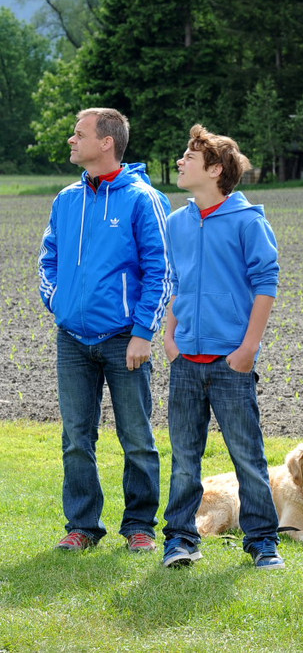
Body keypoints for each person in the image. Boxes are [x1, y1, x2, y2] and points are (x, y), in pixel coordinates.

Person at [38, 107, 171, 553]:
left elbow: (161, 271)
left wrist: (143, 333)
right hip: (72, 339)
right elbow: (48, 258)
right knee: (77, 438)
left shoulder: (142, 198)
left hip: (124, 340)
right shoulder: (66, 199)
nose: (72, 140)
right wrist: (59, 302)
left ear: (106, 142)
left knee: (137, 438)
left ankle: (140, 526)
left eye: (79, 134)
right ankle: (82, 526)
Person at [160, 124, 284, 570]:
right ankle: (180, 539)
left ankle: (263, 542)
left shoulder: (249, 221)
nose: (180, 162)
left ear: (215, 170)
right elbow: (176, 283)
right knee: (184, 460)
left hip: (231, 362)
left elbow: (266, 284)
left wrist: (248, 348)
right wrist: (169, 339)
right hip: (185, 362)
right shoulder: (177, 222)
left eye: (189, 157)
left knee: (248, 458)